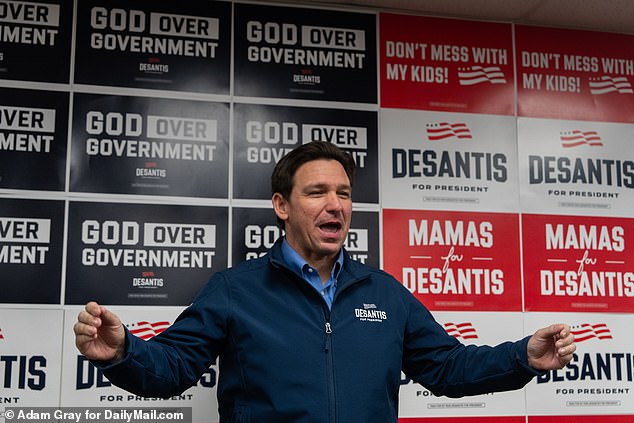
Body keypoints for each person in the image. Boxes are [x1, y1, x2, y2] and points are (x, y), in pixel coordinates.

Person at [75, 141, 576, 423]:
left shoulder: (384, 292)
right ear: (282, 206)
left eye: (343, 193)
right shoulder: (235, 289)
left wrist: (521, 357)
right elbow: (173, 366)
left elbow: (446, 367)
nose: (335, 204)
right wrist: (123, 353)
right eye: (317, 192)